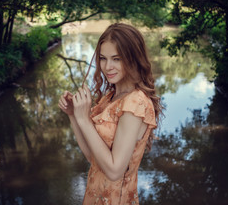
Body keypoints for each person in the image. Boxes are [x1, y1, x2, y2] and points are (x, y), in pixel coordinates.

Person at [58, 23, 162, 205]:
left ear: (133, 58)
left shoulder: (135, 103)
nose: (107, 66)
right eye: (103, 58)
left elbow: (114, 171)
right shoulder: (111, 97)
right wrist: (74, 115)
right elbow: (94, 157)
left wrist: (84, 119)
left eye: (117, 59)